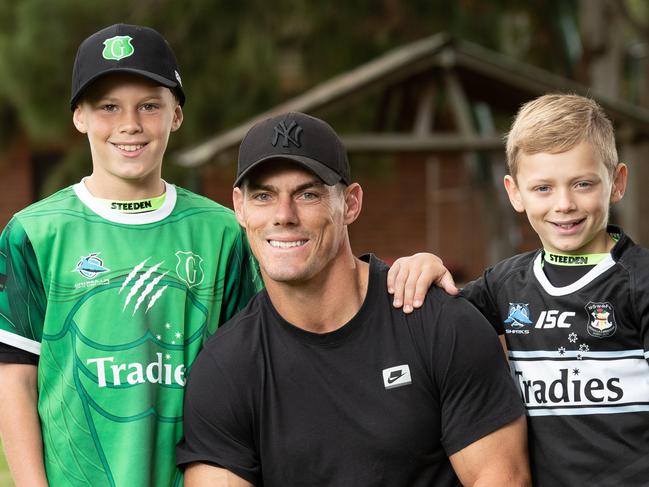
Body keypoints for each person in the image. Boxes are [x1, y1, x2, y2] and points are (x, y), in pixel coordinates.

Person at [0, 23, 443, 487]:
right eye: (108, 107)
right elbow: (15, 376)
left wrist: (412, 268)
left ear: (176, 115)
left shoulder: (224, 233)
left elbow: (295, 319)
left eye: (149, 106)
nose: (130, 124)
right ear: (79, 117)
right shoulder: (33, 233)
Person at [176, 111, 531, 486]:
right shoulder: (225, 370)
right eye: (264, 195)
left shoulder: (438, 323)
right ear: (240, 207)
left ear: (350, 203)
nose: (284, 215)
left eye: (308, 194)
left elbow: (501, 478)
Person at [391, 93, 649, 486]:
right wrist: (424, 264)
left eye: (582, 184)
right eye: (543, 188)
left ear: (616, 183)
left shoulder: (641, 282)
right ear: (514, 192)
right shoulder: (503, 285)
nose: (564, 204)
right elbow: (435, 318)